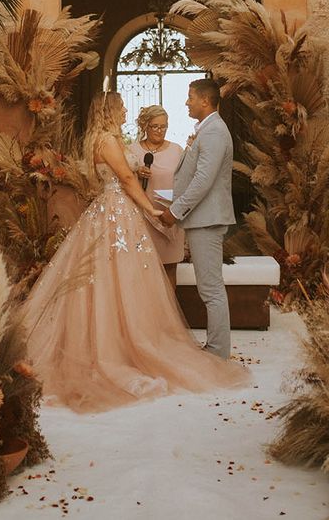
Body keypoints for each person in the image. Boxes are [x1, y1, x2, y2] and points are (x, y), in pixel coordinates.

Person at [21, 91, 249, 413]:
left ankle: (124, 337)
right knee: (114, 277)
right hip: (117, 211)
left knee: (114, 278)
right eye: (121, 106)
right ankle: (118, 345)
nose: (126, 108)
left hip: (115, 211)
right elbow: (127, 179)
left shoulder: (104, 139)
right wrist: (151, 211)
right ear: (109, 111)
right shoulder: (109, 141)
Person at [160, 79, 234, 359]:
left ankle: (217, 352)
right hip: (201, 218)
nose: (187, 102)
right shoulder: (206, 130)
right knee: (210, 286)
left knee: (211, 288)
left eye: (190, 97)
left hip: (207, 220)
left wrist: (175, 211)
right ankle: (216, 348)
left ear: (205, 101)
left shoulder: (214, 132)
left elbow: (204, 180)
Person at [128, 104, 185, 288]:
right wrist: (137, 174)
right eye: (155, 126)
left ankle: (168, 315)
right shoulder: (132, 151)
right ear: (145, 126)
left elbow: (186, 181)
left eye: (164, 126)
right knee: (142, 269)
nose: (160, 131)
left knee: (169, 269)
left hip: (169, 217)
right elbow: (123, 181)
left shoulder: (177, 150)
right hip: (142, 218)